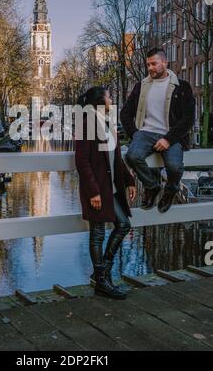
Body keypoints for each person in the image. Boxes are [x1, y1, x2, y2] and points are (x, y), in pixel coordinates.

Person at [75, 86, 136, 299]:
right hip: (98, 189)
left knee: (123, 225)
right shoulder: (87, 124)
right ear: (101, 100)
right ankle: (101, 281)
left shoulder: (107, 123)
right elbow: (82, 162)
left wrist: (129, 180)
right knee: (98, 233)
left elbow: (116, 158)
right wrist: (93, 192)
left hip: (112, 188)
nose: (112, 98)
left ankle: (102, 271)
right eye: (109, 96)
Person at [120, 47, 195, 213]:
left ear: (165, 63)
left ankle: (170, 191)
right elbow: (125, 113)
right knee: (132, 156)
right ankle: (152, 186)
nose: (150, 68)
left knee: (175, 167)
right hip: (145, 133)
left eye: (154, 64)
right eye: (148, 65)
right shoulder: (141, 87)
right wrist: (135, 134)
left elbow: (188, 118)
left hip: (171, 135)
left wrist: (168, 139)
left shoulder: (182, 87)